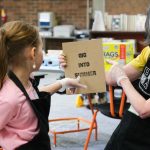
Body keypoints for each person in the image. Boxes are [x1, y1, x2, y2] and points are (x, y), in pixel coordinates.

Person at [59, 7, 150, 150]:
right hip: (132, 124)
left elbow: (145, 110)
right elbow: (110, 78)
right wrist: (73, 67)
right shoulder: (148, 52)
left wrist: (122, 79)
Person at [0, 21, 87, 150]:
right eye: (43, 49)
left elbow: (34, 95)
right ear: (33, 53)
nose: (44, 53)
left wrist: (63, 82)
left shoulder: (26, 79)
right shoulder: (9, 98)